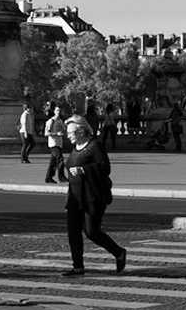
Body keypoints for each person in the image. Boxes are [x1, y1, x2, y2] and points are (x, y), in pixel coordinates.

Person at [59, 115, 125, 276]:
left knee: (92, 232)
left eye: (70, 133)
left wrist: (84, 169)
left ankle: (119, 252)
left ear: (81, 131)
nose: (68, 136)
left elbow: (104, 167)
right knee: (73, 231)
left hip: (92, 196)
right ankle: (78, 266)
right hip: (75, 196)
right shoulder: (76, 147)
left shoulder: (95, 146)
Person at [43, 103, 68, 183]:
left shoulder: (60, 120)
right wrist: (56, 134)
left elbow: (64, 129)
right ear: (54, 111)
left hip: (59, 143)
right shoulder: (51, 121)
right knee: (60, 160)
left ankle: (48, 177)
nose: (58, 112)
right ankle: (61, 177)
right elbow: (46, 133)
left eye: (60, 111)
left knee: (53, 162)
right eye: (57, 110)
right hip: (53, 143)